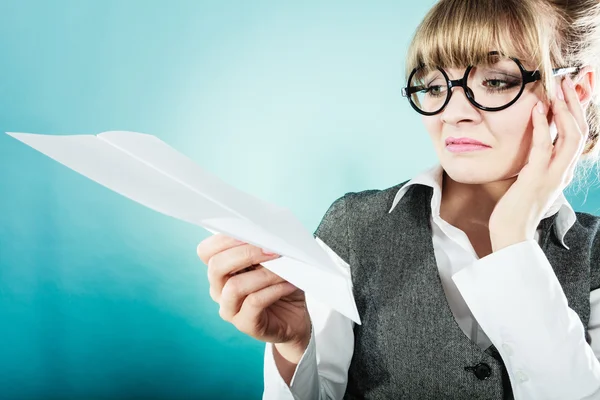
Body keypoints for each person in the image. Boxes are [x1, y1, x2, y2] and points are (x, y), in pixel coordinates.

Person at [196, 0, 600, 398]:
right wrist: (296, 346)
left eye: (496, 81)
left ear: (574, 92)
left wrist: (512, 239)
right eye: (434, 86)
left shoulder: (595, 254)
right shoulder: (355, 227)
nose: (452, 113)